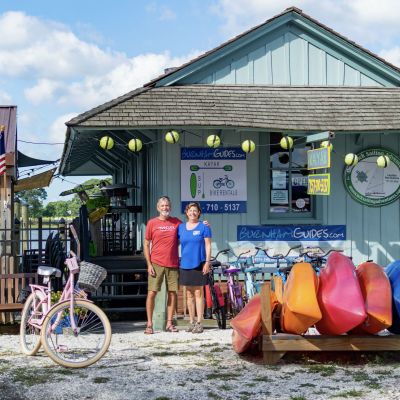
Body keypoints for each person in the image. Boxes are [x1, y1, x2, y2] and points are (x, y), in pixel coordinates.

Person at [143, 196, 181, 334]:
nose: (165, 208)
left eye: (167, 205)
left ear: (170, 207)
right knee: (152, 292)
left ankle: (169, 323)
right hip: (156, 263)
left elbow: (189, 230)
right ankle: (149, 324)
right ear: (158, 207)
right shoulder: (152, 223)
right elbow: (146, 244)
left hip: (173, 264)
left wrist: (204, 225)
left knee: (173, 293)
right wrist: (149, 264)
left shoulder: (177, 222)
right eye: (163, 206)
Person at [178, 202, 212, 334]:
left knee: (198, 293)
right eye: (190, 210)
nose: (192, 212)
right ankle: (191, 321)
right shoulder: (180, 227)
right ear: (186, 212)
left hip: (199, 263)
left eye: (195, 211)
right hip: (185, 264)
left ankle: (199, 322)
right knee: (188, 294)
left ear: (199, 213)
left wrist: (207, 262)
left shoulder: (204, 227)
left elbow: (208, 245)